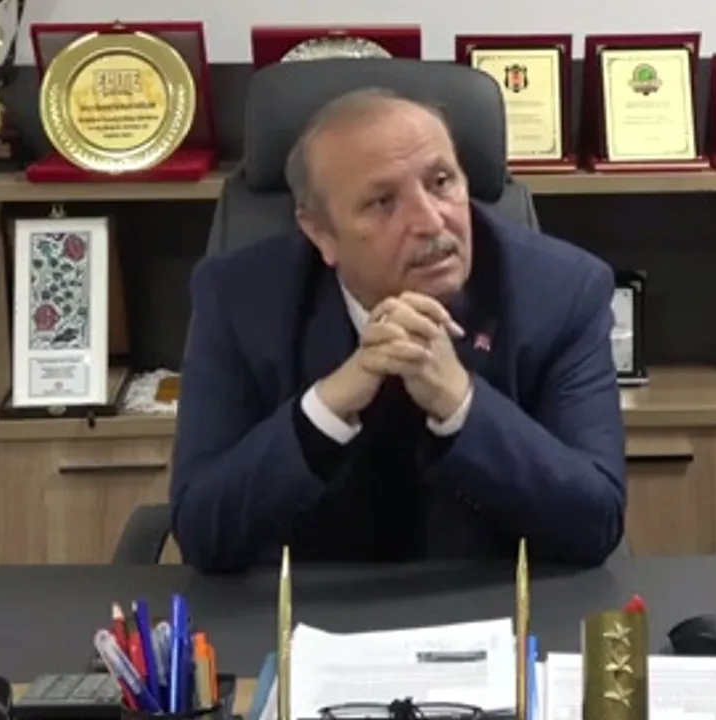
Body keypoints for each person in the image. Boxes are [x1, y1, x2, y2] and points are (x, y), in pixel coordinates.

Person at [169, 87, 626, 574]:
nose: (430, 221)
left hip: (496, 604)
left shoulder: (562, 292)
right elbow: (203, 533)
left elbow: (593, 524)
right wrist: (326, 407)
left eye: (441, 182)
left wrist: (459, 402)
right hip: (308, 607)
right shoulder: (239, 299)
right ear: (321, 233)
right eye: (383, 202)